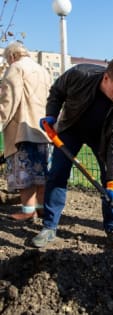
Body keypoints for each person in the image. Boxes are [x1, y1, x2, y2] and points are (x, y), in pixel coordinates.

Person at [32, 55, 113, 249]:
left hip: (103, 138)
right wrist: (51, 114)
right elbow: (57, 91)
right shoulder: (79, 74)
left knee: (112, 181)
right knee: (57, 174)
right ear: (106, 78)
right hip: (71, 129)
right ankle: (49, 226)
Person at [0, 42, 51, 221]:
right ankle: (41, 207)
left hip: (22, 128)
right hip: (41, 129)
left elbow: (9, 100)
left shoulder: (15, 68)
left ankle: (28, 210)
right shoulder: (43, 70)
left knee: (24, 173)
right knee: (40, 172)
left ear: (12, 56)